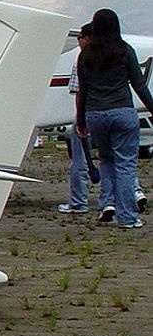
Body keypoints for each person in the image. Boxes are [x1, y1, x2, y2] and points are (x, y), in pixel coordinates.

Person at [76, 8, 153, 230]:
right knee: (126, 164)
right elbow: (139, 85)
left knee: (106, 160)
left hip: (95, 114)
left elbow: (83, 90)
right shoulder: (124, 51)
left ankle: (107, 204)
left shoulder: (85, 55)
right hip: (122, 111)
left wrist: (81, 121)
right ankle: (128, 217)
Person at [59, 25, 96, 214]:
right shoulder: (116, 56)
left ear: (87, 39)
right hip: (111, 112)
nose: (79, 41)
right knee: (115, 160)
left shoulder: (81, 61)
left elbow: (78, 93)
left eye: (81, 37)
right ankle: (116, 200)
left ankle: (78, 202)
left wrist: (79, 119)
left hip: (88, 115)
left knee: (79, 160)